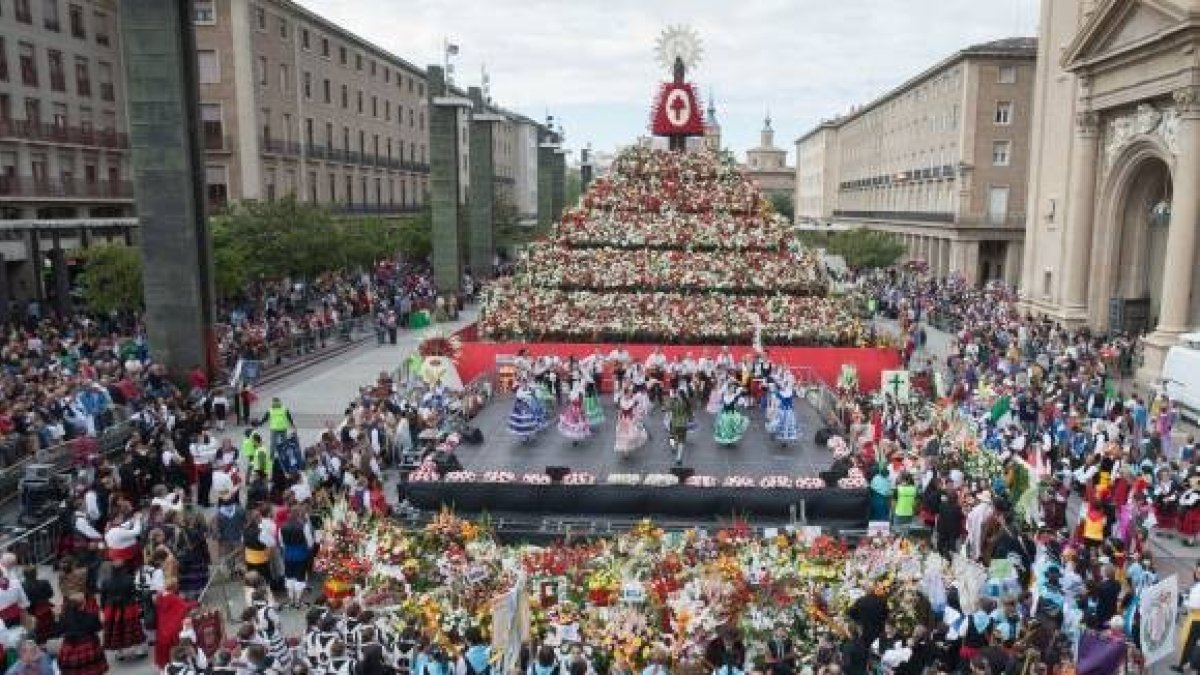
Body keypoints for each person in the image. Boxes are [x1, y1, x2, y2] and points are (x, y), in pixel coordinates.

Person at [100, 559, 145, 660]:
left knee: (116, 630)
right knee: (133, 628)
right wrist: (138, 605)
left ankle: (118, 652)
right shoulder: (130, 579)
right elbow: (135, 593)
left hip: (112, 608)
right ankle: (139, 650)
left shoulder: (106, 582)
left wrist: (103, 608)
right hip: (128, 606)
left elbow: (103, 597)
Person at [57, 592, 108, 675]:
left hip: (70, 649)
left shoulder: (64, 618)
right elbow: (98, 628)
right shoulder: (91, 616)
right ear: (84, 603)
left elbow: (58, 632)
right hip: (89, 649)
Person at [153, 582, 197, 668]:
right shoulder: (173, 598)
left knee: (164, 653)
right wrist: (196, 603)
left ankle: (165, 669)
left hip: (162, 630)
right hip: (173, 630)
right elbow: (184, 607)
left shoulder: (160, 598)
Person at [614, 388, 648, 458]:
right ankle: (625, 451)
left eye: (631, 393)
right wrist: (619, 419)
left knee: (631, 435)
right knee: (623, 435)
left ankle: (627, 450)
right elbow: (620, 411)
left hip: (630, 420)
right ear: (626, 394)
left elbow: (635, 411)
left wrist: (636, 418)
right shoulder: (621, 400)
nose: (631, 394)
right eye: (629, 393)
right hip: (623, 420)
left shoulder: (632, 401)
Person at [667, 388, 691, 466]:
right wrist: (690, 419)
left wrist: (671, 398)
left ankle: (673, 446)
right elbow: (690, 414)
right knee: (681, 441)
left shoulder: (674, 402)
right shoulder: (686, 402)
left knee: (672, 437)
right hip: (683, 424)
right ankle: (679, 458)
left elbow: (666, 408)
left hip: (674, 423)